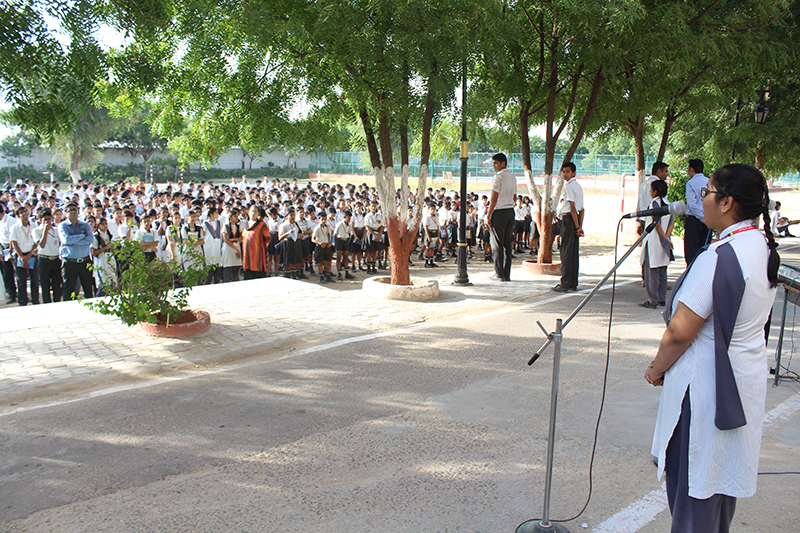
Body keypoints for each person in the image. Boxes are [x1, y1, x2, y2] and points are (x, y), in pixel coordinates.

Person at [644, 164, 780, 533]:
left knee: (696, 492)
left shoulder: (718, 257)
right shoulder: (760, 245)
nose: (701, 199)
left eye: (707, 192)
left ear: (727, 202)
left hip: (706, 386)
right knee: (718, 488)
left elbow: (680, 332)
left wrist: (656, 369)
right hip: (742, 381)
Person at [639, 180, 673, 309]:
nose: (650, 192)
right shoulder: (669, 205)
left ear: (656, 191)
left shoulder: (654, 204)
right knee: (662, 271)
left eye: (651, 189)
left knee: (652, 272)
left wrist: (663, 237)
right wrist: (667, 237)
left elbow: (656, 224)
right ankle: (661, 298)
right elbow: (672, 223)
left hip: (654, 240)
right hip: (665, 241)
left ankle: (652, 299)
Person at [485, 153, 517, 281]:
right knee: (507, 243)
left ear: (503, 163)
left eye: (496, 163)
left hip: (499, 211)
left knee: (497, 243)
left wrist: (488, 215)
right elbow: (515, 196)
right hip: (510, 210)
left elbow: (494, 198)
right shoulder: (513, 177)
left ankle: (499, 273)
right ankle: (506, 273)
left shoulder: (498, 177)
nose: (494, 165)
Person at [553, 162, 584, 292]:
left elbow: (572, 208)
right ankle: (572, 283)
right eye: (564, 172)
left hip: (569, 220)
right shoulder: (579, 187)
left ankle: (565, 283)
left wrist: (577, 227)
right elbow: (582, 209)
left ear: (573, 173)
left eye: (567, 172)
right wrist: (580, 226)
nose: (565, 174)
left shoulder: (570, 186)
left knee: (566, 252)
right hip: (575, 220)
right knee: (573, 253)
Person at [58, 202, 95, 300]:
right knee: (68, 289)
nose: (73, 212)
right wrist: (82, 236)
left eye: (74, 209)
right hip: (70, 262)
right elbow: (66, 240)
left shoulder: (85, 224)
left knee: (88, 289)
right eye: (70, 210)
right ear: (65, 213)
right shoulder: (62, 226)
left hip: (85, 261)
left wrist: (73, 240)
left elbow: (90, 239)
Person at [10, 207, 40, 306]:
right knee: (21, 280)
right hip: (20, 255)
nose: (24, 214)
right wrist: (23, 257)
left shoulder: (34, 225)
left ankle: (35, 300)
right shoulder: (15, 227)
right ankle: (22, 301)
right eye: (21, 213)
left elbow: (37, 242)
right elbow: (14, 243)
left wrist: (29, 255)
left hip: (32, 254)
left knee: (34, 279)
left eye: (25, 212)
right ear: (18, 216)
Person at [33, 207, 63, 303]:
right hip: (44, 260)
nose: (47, 221)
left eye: (49, 219)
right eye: (45, 219)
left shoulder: (56, 230)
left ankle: (57, 303)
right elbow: (41, 245)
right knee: (45, 285)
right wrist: (45, 230)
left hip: (56, 259)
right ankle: (47, 303)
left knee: (57, 285)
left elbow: (60, 244)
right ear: (40, 220)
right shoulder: (36, 231)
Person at [684, 159, 710, 264]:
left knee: (692, 252)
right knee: (704, 250)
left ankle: (692, 272)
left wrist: (702, 218)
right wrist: (706, 219)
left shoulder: (691, 183)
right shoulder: (709, 182)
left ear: (692, 169)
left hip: (694, 220)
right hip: (708, 221)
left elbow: (692, 205)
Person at [0, 203, 18, 303]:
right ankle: (12, 293)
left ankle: (20, 294)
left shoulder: (10, 220)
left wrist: (10, 250)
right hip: (4, 248)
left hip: (13, 248)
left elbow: (13, 237)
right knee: (7, 272)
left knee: (18, 272)